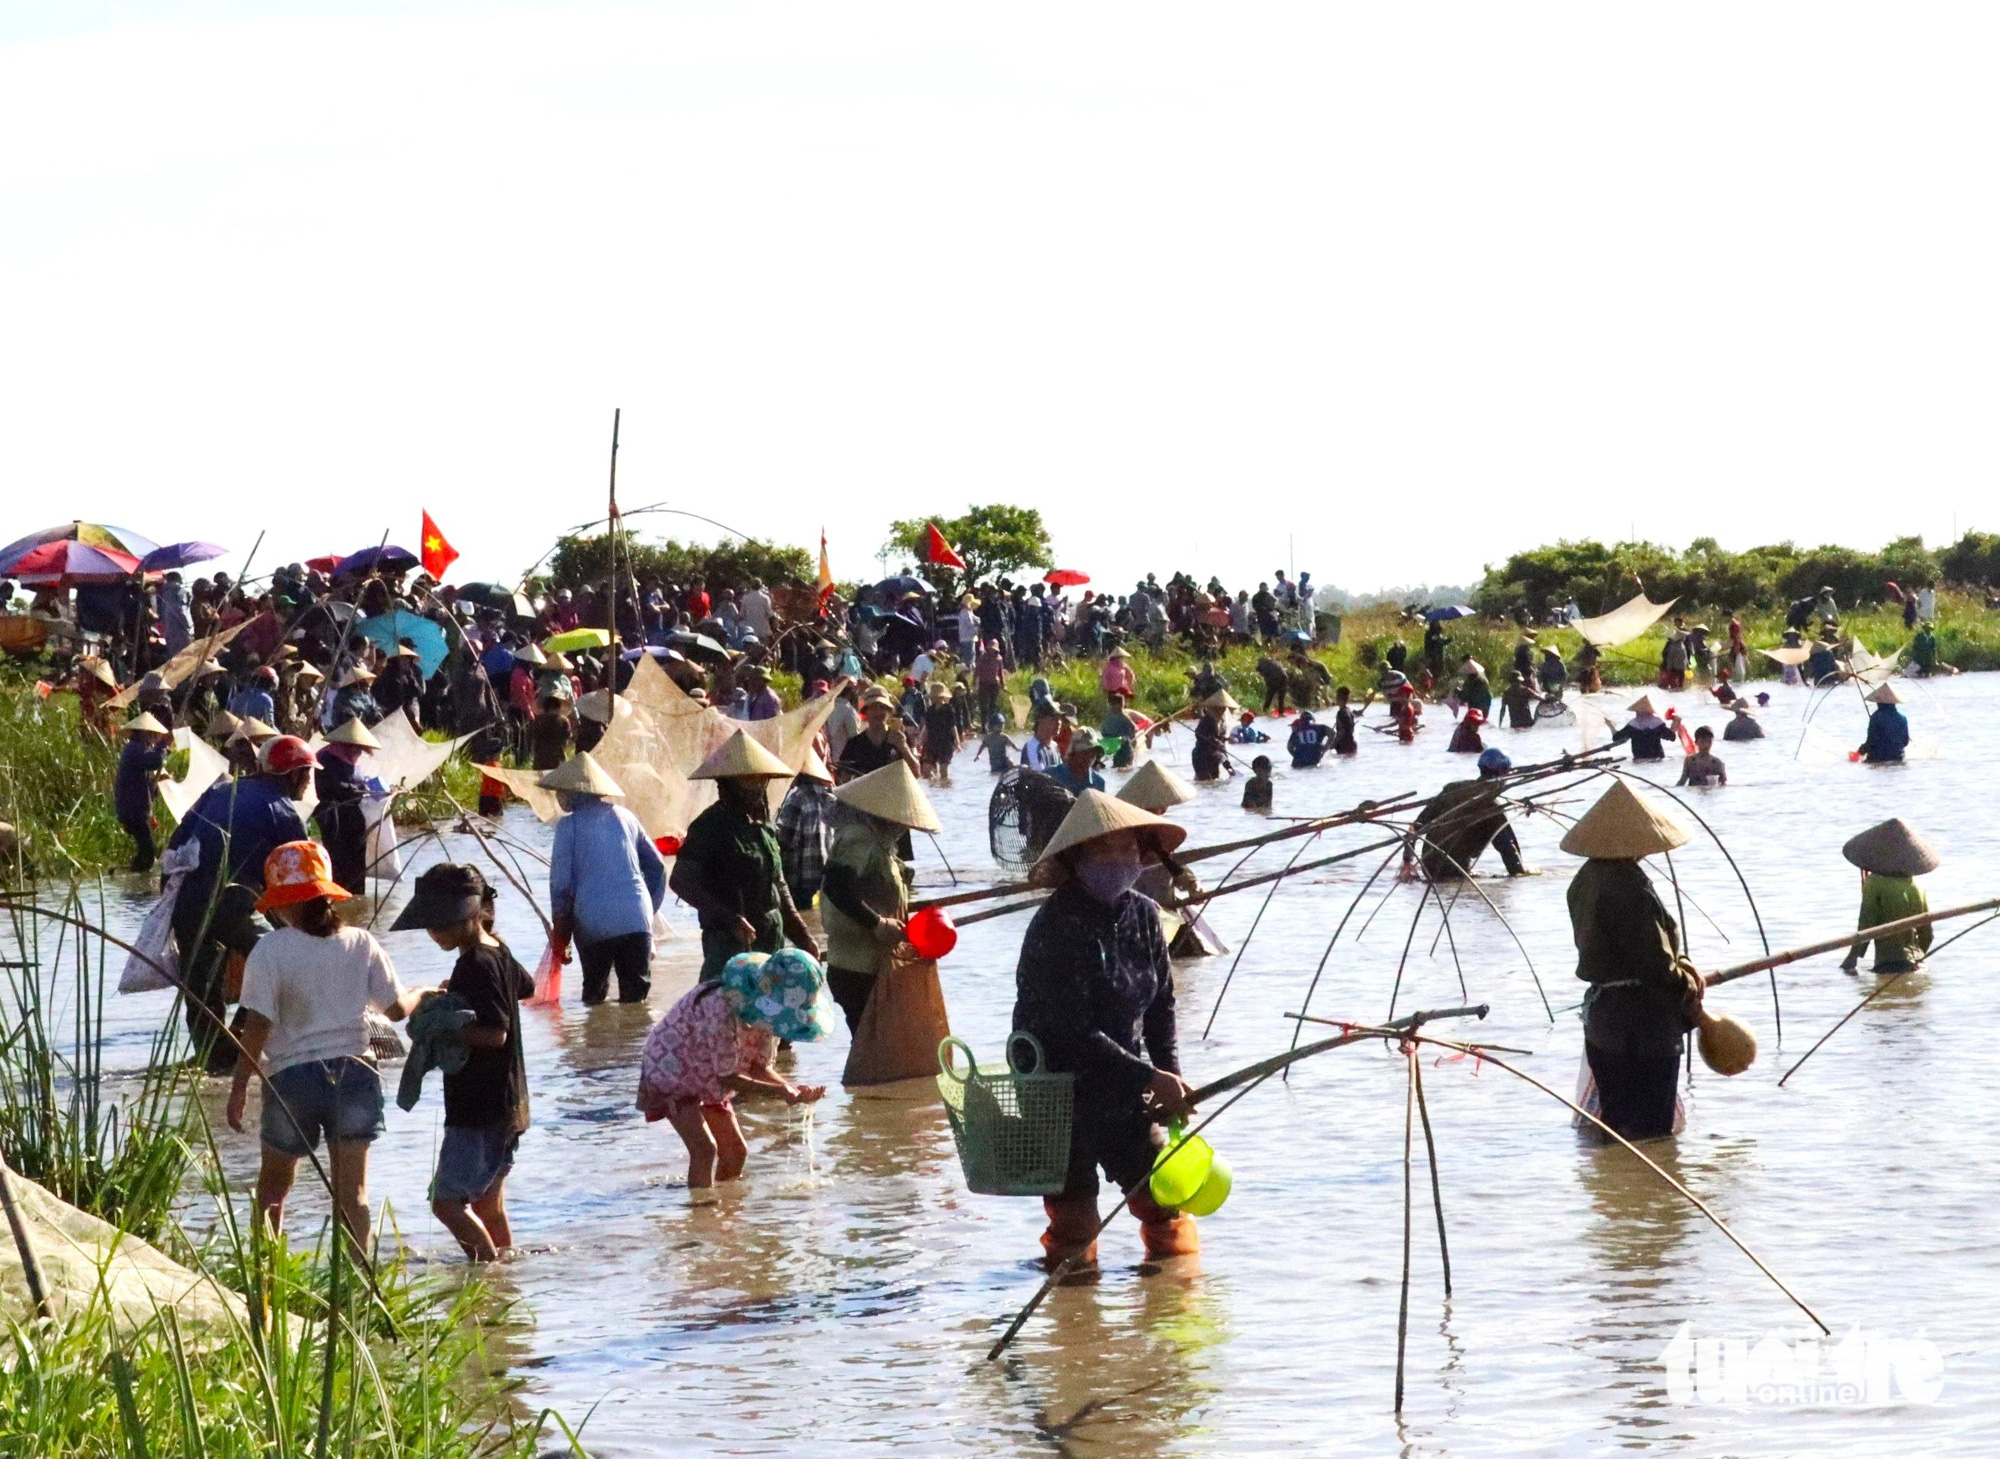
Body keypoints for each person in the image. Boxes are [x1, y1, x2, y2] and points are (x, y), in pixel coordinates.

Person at [1013, 792, 1200, 1273]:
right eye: (1104, 851)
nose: (1120, 861)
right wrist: (1147, 1076)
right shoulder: (1057, 925)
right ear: (1077, 859)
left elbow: (1161, 1004)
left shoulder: (1143, 915)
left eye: (1129, 849)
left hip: (1126, 1092)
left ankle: (1172, 1303)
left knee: (1163, 1203)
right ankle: (1073, 1319)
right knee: (1075, 1228)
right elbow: (1071, 1029)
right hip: (1061, 1094)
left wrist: (1169, 1075)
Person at [225, 841, 419, 1251]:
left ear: (280, 903)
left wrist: (240, 1086)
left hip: (292, 1079)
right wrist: (422, 991)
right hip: (355, 1073)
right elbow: (397, 1010)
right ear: (326, 894)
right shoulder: (361, 942)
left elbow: (257, 1025)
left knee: (274, 1190)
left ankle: (267, 1278)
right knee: (354, 1195)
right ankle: (360, 1287)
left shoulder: (270, 950)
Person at [392, 863, 534, 1262]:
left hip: (478, 1108)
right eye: (429, 925)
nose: (434, 932)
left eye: (441, 923)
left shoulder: (474, 963)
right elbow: (525, 987)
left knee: (446, 1203)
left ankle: (485, 1274)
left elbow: (495, 1033)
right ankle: (505, 1281)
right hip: (510, 1102)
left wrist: (443, 1029)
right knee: (489, 1205)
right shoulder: (497, 950)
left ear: (471, 916)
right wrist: (457, 993)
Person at [1563, 781, 1703, 1141]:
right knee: (1652, 1132)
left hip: (1604, 1020)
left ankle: (1620, 1193)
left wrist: (1680, 968)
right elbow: (1656, 965)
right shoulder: (1630, 887)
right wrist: (1687, 982)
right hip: (1644, 1027)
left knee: (1618, 1125)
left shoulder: (1585, 880)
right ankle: (1649, 1192)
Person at [167, 734, 315, 1072]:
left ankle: (213, 1057)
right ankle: (240, 1037)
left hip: (186, 902)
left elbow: (176, 846)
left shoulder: (221, 791)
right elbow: (304, 884)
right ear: (292, 776)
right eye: (306, 775)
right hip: (232, 903)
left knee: (201, 987)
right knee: (282, 960)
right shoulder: (284, 812)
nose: (307, 784)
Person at [637, 949, 829, 1189]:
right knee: (704, 1149)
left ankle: (726, 1211)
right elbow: (728, 1077)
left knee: (736, 1151)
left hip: (709, 1073)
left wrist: (790, 1088)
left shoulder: (768, 1017)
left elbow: (757, 1067)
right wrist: (779, 1093)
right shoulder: (721, 1007)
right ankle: (702, 1215)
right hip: (672, 1069)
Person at [671, 730, 821, 986]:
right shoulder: (709, 826)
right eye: (748, 782)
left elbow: (779, 884)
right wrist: (729, 919)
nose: (757, 789)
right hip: (729, 945)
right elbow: (681, 881)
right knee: (728, 1014)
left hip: (771, 940)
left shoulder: (763, 827)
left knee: (769, 1016)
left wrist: (802, 935)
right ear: (727, 784)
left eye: (761, 781)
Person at [819, 761, 939, 1030]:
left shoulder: (881, 844)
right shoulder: (859, 837)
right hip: (856, 968)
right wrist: (878, 923)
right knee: (870, 1049)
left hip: (873, 964)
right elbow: (836, 887)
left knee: (879, 1048)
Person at [544, 752, 668, 1004]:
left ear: (573, 793)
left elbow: (561, 887)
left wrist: (561, 933)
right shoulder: (625, 816)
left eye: (562, 792)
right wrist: (648, 909)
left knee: (595, 995)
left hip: (593, 921)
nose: (559, 797)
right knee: (636, 999)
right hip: (636, 917)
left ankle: (598, 1042)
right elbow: (657, 867)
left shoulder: (569, 826)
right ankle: (636, 1042)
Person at [1837, 819, 1938, 975]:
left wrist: (1852, 958)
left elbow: (1866, 924)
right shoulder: (1917, 887)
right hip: (1917, 966)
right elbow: (1928, 935)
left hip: (1888, 965)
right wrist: (1917, 958)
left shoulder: (1875, 882)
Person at [1406, 747, 1525, 879]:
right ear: (1502, 772)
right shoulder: (1492, 806)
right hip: (1455, 870)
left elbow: (1415, 827)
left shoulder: (1452, 790)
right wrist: (1520, 876)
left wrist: (1407, 862)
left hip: (1429, 867)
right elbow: (1509, 850)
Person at [313, 718, 381, 895]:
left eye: (359, 748)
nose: (357, 751)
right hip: (333, 817)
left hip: (354, 818)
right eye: (354, 746)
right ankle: (337, 895)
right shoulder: (326, 757)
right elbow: (328, 785)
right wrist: (356, 790)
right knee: (338, 861)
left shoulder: (354, 762)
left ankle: (355, 898)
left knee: (357, 864)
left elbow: (359, 781)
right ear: (345, 743)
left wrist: (369, 788)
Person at [113, 712, 171, 873]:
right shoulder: (135, 749)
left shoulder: (137, 749)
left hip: (134, 808)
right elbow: (155, 761)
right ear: (143, 733)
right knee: (147, 853)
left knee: (145, 851)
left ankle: (132, 876)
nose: (154, 738)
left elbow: (151, 768)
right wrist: (162, 746)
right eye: (152, 735)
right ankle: (136, 887)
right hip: (133, 810)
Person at [837, 685, 921, 783]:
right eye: (873, 708)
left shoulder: (901, 736)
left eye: (882, 708)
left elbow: (916, 773)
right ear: (866, 712)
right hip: (867, 795)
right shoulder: (855, 744)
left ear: (889, 711)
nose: (878, 712)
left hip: (894, 794)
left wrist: (903, 747)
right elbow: (843, 782)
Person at [1857, 684, 1910, 764]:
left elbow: (1871, 742)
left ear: (1879, 703)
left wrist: (1860, 752)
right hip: (1898, 758)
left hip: (1878, 758)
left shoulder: (1876, 717)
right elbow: (1905, 742)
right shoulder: (1903, 718)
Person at [919, 680, 960, 783]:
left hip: (945, 743)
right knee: (927, 770)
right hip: (932, 743)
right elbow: (927, 728)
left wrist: (957, 742)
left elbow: (953, 727)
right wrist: (921, 741)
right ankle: (933, 786)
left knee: (943, 770)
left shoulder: (948, 709)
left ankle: (944, 786)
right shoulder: (930, 710)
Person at [1611, 696, 1675, 762]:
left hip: (1640, 759)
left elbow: (1616, 738)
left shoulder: (1633, 725)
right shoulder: (1657, 724)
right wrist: (1675, 724)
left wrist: (1611, 726)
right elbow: (1672, 737)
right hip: (1657, 758)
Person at [1048, 727, 1107, 794]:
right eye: (1085, 753)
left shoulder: (1099, 783)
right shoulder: (1052, 775)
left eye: (1093, 753)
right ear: (1074, 753)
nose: (1089, 758)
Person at [1191, 693, 1232, 781]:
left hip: (1215, 758)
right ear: (1213, 708)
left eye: (1224, 708)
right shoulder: (1205, 721)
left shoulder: (1223, 725)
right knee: (1204, 780)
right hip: (1201, 756)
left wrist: (1228, 766)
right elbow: (1198, 734)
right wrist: (1212, 740)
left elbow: (1222, 748)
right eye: (1219, 708)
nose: (1222, 711)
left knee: (1214, 781)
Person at [1099, 692, 1139, 771]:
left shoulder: (1108, 716)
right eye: (1122, 703)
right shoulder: (1122, 716)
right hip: (1121, 747)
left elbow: (1103, 731)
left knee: (1118, 765)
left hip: (1116, 746)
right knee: (1123, 766)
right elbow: (1135, 728)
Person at [1331, 685, 1360, 755]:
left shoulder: (1341, 713)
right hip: (1351, 744)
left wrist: (1333, 744)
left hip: (1344, 745)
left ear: (1339, 698)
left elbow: (1342, 731)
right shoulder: (1349, 711)